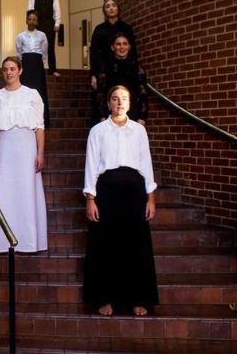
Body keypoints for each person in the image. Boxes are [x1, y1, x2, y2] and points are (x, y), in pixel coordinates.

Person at [83, 85, 158, 317]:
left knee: (136, 244)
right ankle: (104, 298)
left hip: (134, 190)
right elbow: (91, 164)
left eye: (124, 98)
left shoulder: (139, 131)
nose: (119, 103)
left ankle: (139, 298)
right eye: (115, 99)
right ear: (108, 103)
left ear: (130, 102)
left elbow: (146, 163)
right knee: (106, 244)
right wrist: (90, 198)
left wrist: (151, 197)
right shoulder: (98, 131)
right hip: (106, 190)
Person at [0, 56, 47, 254]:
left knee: (27, 190)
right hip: (5, 148)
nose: (9, 72)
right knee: (5, 191)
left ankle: (29, 240)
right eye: (5, 69)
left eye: (12, 68)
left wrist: (40, 153)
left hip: (27, 148)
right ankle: (1, 241)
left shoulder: (32, 95)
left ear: (20, 71)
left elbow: (39, 127)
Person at [91, 32, 148, 124]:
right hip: (110, 114)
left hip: (132, 113)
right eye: (118, 44)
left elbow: (143, 94)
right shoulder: (105, 67)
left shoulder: (137, 67)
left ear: (129, 47)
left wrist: (142, 117)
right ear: (112, 47)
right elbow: (101, 93)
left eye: (125, 44)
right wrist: (102, 116)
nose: (122, 47)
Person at [16, 10, 50, 128]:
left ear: (37, 22)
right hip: (26, 63)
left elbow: (44, 52)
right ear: (26, 20)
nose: (32, 21)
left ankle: (41, 120)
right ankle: (24, 119)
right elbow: (19, 52)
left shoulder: (42, 35)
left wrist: (41, 63)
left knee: (39, 91)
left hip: (37, 64)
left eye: (34, 19)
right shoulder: (20, 36)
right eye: (30, 19)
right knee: (25, 89)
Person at [27, 0, 61, 77]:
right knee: (36, 46)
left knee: (51, 46)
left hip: (50, 23)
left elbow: (57, 9)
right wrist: (30, 22)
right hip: (37, 23)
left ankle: (53, 69)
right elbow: (30, 9)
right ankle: (36, 68)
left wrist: (57, 22)